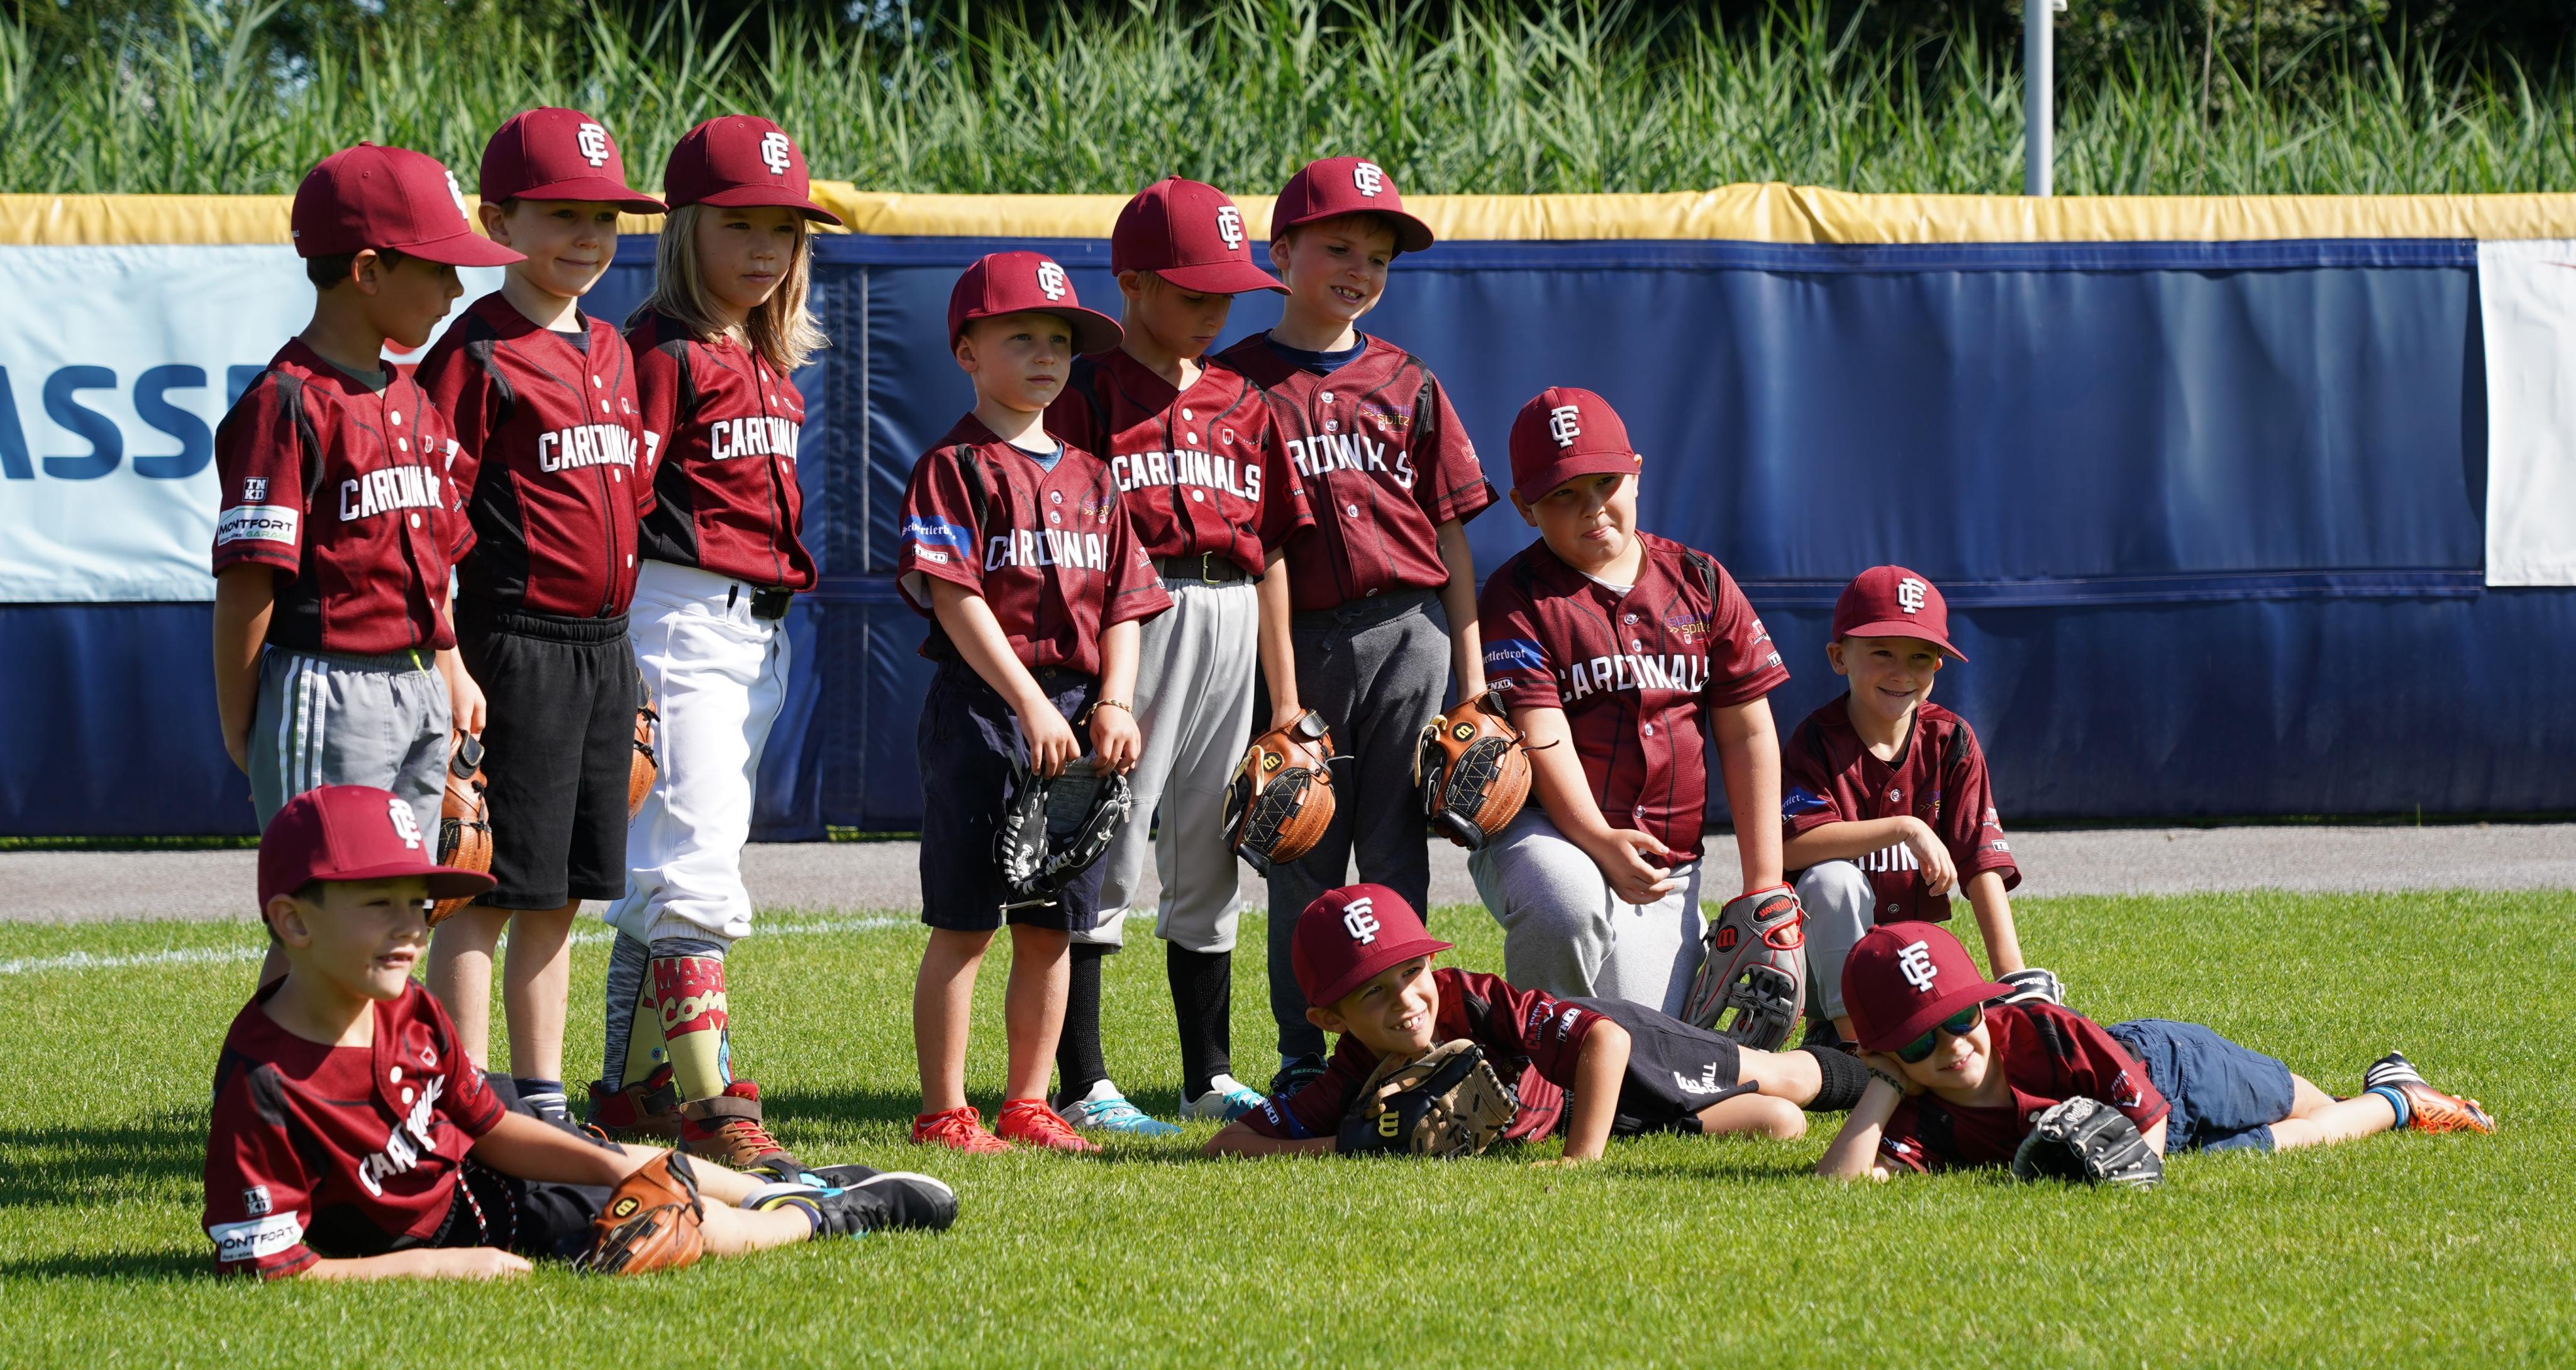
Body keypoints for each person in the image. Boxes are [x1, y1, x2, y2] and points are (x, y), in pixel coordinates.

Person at [202, 785, 955, 1280]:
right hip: (477, 1217)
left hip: (489, 1171)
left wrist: (614, 1168)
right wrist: (450, 1264)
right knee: (669, 1223)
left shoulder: (410, 1009)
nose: (411, 930)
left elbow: (492, 1128)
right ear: (293, 921)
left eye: (418, 904)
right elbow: (269, 1267)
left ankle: (778, 1190)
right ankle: (814, 1218)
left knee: (626, 1171)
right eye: (378, 904)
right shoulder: (265, 1084)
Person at [1212, 157, 1498, 1097]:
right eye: (1338, 247)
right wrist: (1282, 695)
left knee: (1394, 850)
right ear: (1280, 252)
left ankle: (1404, 1045)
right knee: (1299, 845)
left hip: (1411, 629)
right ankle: (1305, 1053)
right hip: (1297, 638)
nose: (1360, 270)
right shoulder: (1235, 383)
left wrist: (1473, 679)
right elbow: (1258, 547)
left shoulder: (1408, 379)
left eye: (1377, 257)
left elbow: (1450, 534)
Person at [586, 116, 837, 1174]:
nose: (766, 247)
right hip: (676, 613)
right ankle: (709, 1105)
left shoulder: (763, 357)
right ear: (685, 228)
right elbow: (614, 507)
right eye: (740, 224)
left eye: (784, 228)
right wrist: (622, 657)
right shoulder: (659, 351)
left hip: (753, 631)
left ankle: (633, 1087)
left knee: (678, 862)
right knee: (690, 867)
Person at [210, 142, 518, 989]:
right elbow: (247, 583)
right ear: (370, 271)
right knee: (324, 916)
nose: (457, 288)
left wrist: (450, 666)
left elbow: (435, 560)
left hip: (416, 682)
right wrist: (243, 721)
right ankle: (274, 1070)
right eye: (440, 267)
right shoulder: (286, 403)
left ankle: (370, 1068)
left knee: (398, 915)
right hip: (327, 684)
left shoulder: (410, 397)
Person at [1041, 177, 1311, 1133]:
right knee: (1108, 845)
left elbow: (1271, 550)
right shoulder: (1087, 392)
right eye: (1194, 290)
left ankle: (1208, 1075)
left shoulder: (1245, 399)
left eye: (1227, 291)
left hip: (1233, 610)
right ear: (1132, 284)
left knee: (1211, 847)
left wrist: (1286, 697)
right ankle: (1084, 1080)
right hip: (1134, 613)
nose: (1215, 309)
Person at [416, 107, 667, 1128]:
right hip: (511, 643)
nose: (587, 236)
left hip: (602, 647)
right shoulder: (473, 351)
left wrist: (628, 660)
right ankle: (462, 1098)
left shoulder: (612, 346)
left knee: (562, 887)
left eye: (604, 216)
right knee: (486, 882)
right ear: (497, 220)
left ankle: (544, 1093)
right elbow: (429, 519)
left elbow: (626, 511)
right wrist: (447, 655)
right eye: (562, 213)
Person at [894, 251, 1167, 1154]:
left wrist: (1114, 703)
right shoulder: (953, 466)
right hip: (984, 709)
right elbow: (953, 596)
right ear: (967, 351)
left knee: (1054, 925)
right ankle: (944, 1110)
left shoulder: (1095, 476)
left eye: (1059, 339)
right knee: (966, 921)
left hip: (1079, 712)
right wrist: (1027, 702)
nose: (1046, 354)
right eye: (1021, 337)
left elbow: (1125, 602)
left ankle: (1029, 1101)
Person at [1472, 387, 1792, 1016]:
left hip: (1662, 863)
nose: (1592, 507)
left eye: (1605, 482)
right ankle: (1537, 1058)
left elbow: (1748, 733)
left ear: (1636, 472)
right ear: (1525, 507)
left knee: (1645, 1049)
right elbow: (1543, 733)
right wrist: (1596, 837)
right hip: (1549, 834)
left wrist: (1765, 890)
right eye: (1563, 494)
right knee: (1563, 903)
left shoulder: (1699, 580)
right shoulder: (1517, 596)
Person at [1203, 886, 1868, 1162]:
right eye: (1373, 992)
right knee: (1781, 1123)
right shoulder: (1353, 1069)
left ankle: (1880, 1065)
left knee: (1785, 1078)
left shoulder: (1467, 999)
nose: (1406, 1000)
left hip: (1621, 1054)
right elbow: (1227, 1145)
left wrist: (1580, 1164)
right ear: (1330, 1018)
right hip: (1593, 1111)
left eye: (1411, 972)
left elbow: (1605, 1041)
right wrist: (1352, 1142)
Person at [1814, 920, 2495, 1181]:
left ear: (1986, 1006)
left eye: (1962, 1016)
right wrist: (1886, 1085)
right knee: (2301, 1140)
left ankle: (2395, 1090)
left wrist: (2134, 1171)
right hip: (2140, 1146)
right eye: (1918, 1040)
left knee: (2313, 1107)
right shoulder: (1921, 1113)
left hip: (2170, 1069)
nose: (1953, 1045)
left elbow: (2147, 1115)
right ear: (1885, 1055)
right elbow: (1841, 1186)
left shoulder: (2044, 1029)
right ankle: (2398, 1101)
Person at [1779, 567, 2052, 1046]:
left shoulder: (1950, 739)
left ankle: (1895, 1034)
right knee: (1832, 881)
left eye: (1920, 657)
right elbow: (1792, 846)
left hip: (1911, 958)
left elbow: (1981, 861)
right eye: (1882, 651)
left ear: (1938, 667)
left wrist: (2012, 978)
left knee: (1967, 1038)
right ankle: (1850, 1044)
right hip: (1825, 970)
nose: (1902, 672)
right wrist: (1905, 828)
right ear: (1840, 657)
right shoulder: (1817, 740)